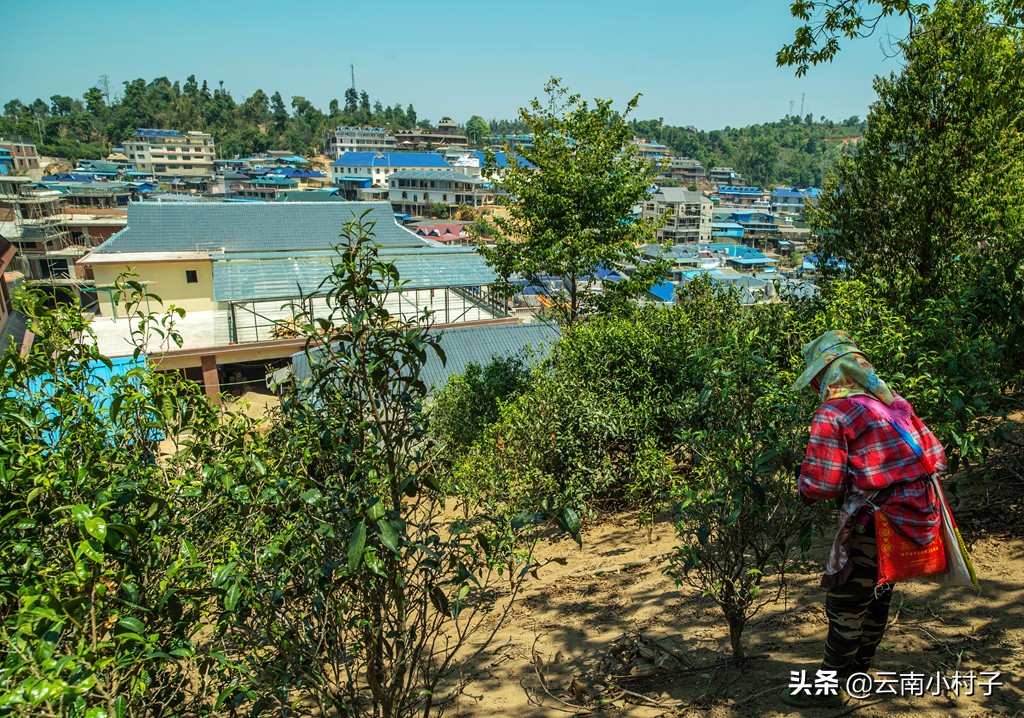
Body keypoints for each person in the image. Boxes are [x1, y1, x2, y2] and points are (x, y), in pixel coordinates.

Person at [780, 330, 945, 708]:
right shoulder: (893, 404)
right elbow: (935, 454)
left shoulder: (833, 413)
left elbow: (823, 482)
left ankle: (826, 689)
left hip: (873, 520)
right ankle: (858, 674)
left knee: (846, 604)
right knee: (878, 597)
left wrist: (803, 486)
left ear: (829, 375)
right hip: (913, 517)